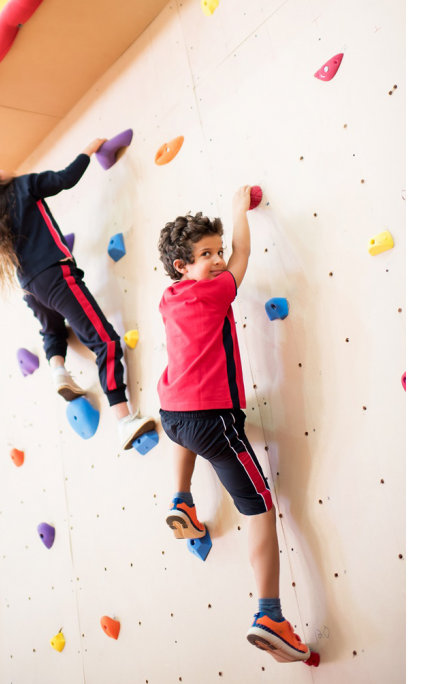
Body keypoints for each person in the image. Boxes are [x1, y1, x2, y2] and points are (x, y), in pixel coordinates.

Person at [156, 187, 313, 663]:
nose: (220, 260)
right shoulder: (213, 290)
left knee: (187, 432)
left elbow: (229, 257)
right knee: (260, 506)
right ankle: (270, 615)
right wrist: (238, 211)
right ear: (182, 265)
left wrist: (217, 244)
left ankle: (181, 499)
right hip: (213, 422)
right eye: (206, 254)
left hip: (174, 415)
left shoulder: (170, 297)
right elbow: (244, 254)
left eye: (218, 251)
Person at [0, 139, 156, 449]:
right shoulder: (23, 186)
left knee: (52, 330)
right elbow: (66, 178)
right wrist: (89, 149)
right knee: (105, 341)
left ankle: (58, 371)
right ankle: (123, 420)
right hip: (56, 275)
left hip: (30, 288)